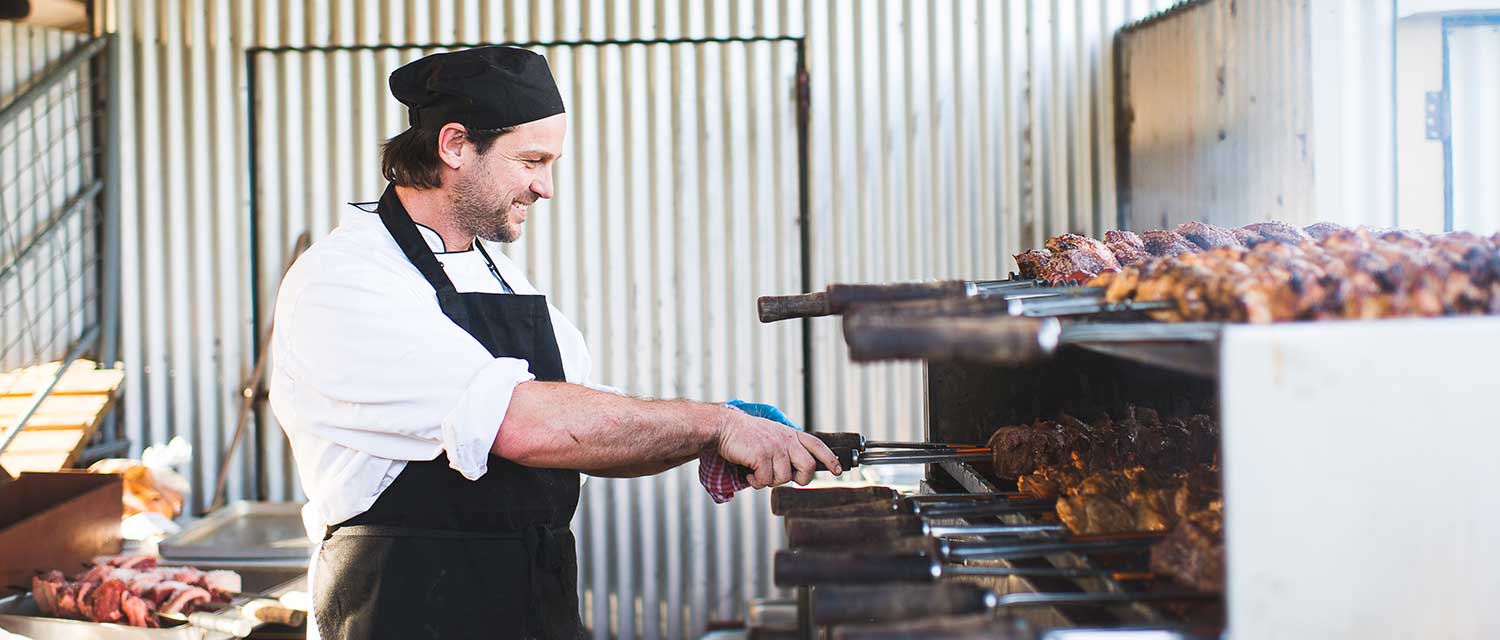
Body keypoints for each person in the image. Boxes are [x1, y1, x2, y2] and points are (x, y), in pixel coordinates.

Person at [268, 46, 841, 640]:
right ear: (455, 145)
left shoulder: (498, 274)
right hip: (407, 614)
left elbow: (585, 428)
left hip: (532, 610)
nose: (546, 188)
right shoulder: (347, 279)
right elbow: (522, 423)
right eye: (532, 161)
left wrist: (715, 434)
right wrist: (711, 425)